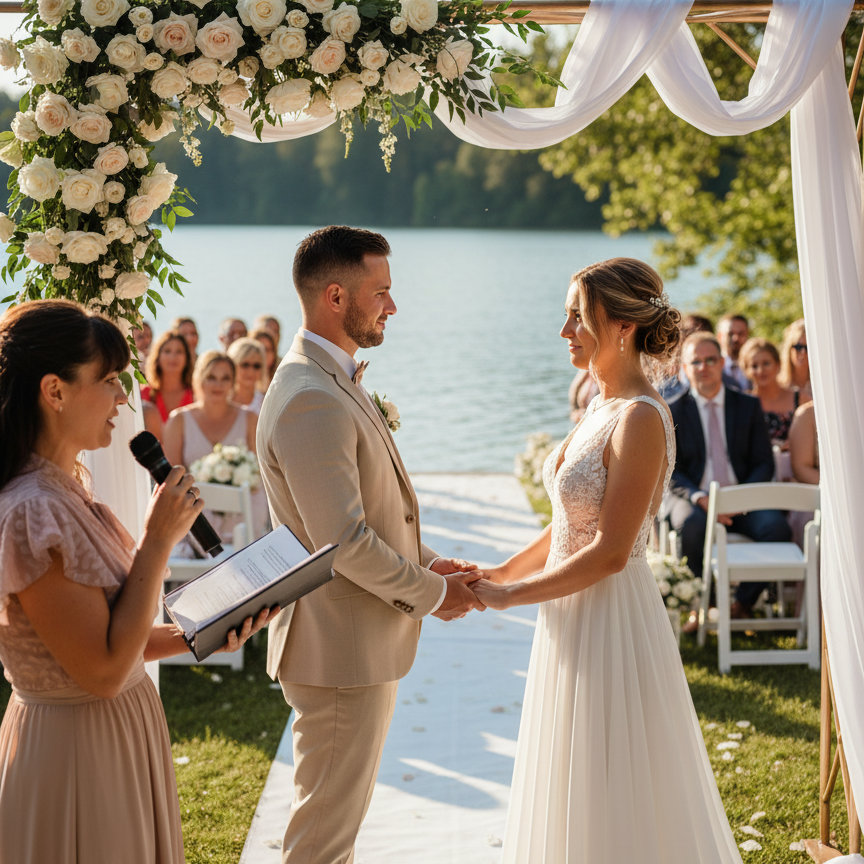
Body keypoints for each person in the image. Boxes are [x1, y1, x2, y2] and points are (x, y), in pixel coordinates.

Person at [469, 259, 744, 863]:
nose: (564, 330)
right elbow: (570, 520)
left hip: (609, 614)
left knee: (610, 771)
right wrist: (498, 572)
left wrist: (511, 597)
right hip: (567, 609)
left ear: (621, 325)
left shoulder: (641, 417)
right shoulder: (601, 404)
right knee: (569, 767)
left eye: (577, 316)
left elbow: (612, 551)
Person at [0, 300, 274, 864]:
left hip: (117, 733)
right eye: (108, 381)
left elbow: (109, 637)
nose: (123, 399)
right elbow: (101, 671)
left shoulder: (67, 489)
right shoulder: (33, 511)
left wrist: (203, 634)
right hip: (76, 751)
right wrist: (157, 540)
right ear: (54, 391)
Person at [256, 226, 481, 864]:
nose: (393, 306)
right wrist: (434, 593)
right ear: (335, 296)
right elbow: (344, 543)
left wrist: (428, 560)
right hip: (338, 650)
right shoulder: (310, 396)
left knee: (335, 830)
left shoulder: (329, 379)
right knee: (322, 840)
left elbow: (361, 517)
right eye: (381, 292)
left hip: (350, 646)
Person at [665, 331, 791, 626]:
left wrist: (738, 499)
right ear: (685, 369)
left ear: (722, 363)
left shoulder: (747, 405)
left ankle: (742, 603)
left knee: (777, 528)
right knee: (689, 525)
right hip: (697, 500)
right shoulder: (672, 411)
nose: (704, 367)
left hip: (742, 501)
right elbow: (671, 471)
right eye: (696, 362)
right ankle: (703, 603)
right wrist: (702, 499)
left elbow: (763, 462)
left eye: (711, 360)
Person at [163, 351, 264, 544]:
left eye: (225, 378)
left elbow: (258, 474)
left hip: (243, 515)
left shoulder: (250, 419)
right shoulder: (178, 421)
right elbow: (173, 478)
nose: (218, 385)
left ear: (233, 382)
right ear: (199, 379)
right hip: (195, 514)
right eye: (211, 377)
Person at [740, 336, 799, 450]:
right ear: (746, 370)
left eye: (766, 363)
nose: (761, 370)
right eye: (754, 366)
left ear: (778, 364)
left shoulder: (801, 399)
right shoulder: (743, 405)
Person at [141, 330, 195, 424]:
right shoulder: (144, 394)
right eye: (167, 351)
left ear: (187, 358)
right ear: (157, 356)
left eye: (179, 351)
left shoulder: (196, 395)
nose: (173, 357)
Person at [228, 337, 267, 414]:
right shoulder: (222, 399)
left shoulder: (266, 404)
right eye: (245, 365)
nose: (251, 371)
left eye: (256, 366)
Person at [779, 318, 813, 404]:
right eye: (798, 347)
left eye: (807, 347)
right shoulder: (779, 386)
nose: (803, 352)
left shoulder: (821, 384)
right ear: (789, 349)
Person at [717, 313, 750, 390]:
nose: (735, 338)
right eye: (730, 334)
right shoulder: (712, 367)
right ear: (719, 337)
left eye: (741, 334)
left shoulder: (757, 365)